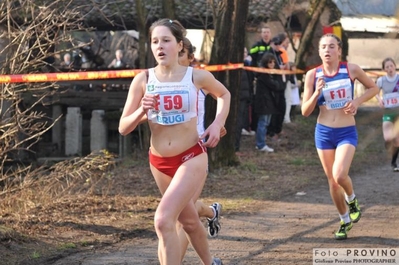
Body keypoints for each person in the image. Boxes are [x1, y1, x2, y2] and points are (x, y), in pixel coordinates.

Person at [119, 18, 230, 265]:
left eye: (166, 40)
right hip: (159, 162)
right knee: (188, 221)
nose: (160, 46)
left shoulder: (195, 76)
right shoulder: (143, 80)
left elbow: (224, 94)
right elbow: (123, 127)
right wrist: (141, 112)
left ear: (180, 45)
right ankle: (211, 263)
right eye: (155, 41)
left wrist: (216, 124)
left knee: (163, 219)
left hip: (191, 157)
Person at [301, 33, 379, 240]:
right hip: (324, 132)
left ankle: (352, 199)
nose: (327, 50)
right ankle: (344, 219)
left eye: (332, 46)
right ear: (319, 51)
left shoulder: (350, 69)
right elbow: (305, 111)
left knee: (340, 175)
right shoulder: (312, 75)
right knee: (332, 182)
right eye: (323, 47)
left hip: (346, 131)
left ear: (339, 50)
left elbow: (374, 87)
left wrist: (357, 102)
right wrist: (316, 93)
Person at [254, 53, 282, 152]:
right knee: (263, 123)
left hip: (267, 102)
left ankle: (260, 143)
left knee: (264, 123)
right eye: (270, 62)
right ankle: (261, 144)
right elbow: (275, 85)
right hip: (264, 103)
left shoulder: (266, 73)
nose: (272, 64)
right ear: (266, 62)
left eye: (274, 61)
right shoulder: (264, 74)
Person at [375, 57, 399, 172]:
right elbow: (374, 91)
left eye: (391, 66)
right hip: (388, 112)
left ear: (395, 66)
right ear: (384, 69)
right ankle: (390, 151)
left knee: (397, 140)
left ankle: (394, 163)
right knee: (388, 138)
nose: (390, 68)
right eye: (387, 67)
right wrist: (379, 99)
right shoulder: (381, 81)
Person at [265, 35, 286, 141]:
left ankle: (278, 129)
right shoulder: (268, 55)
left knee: (282, 108)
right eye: (275, 44)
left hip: (281, 85)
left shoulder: (279, 55)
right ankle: (271, 132)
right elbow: (267, 68)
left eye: (279, 44)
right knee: (274, 111)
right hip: (274, 87)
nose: (278, 46)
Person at [236, 48, 255, 152]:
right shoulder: (234, 65)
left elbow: (251, 80)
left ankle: (236, 147)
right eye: (242, 52)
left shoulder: (247, 65)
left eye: (245, 53)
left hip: (244, 97)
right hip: (237, 97)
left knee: (240, 122)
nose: (243, 54)